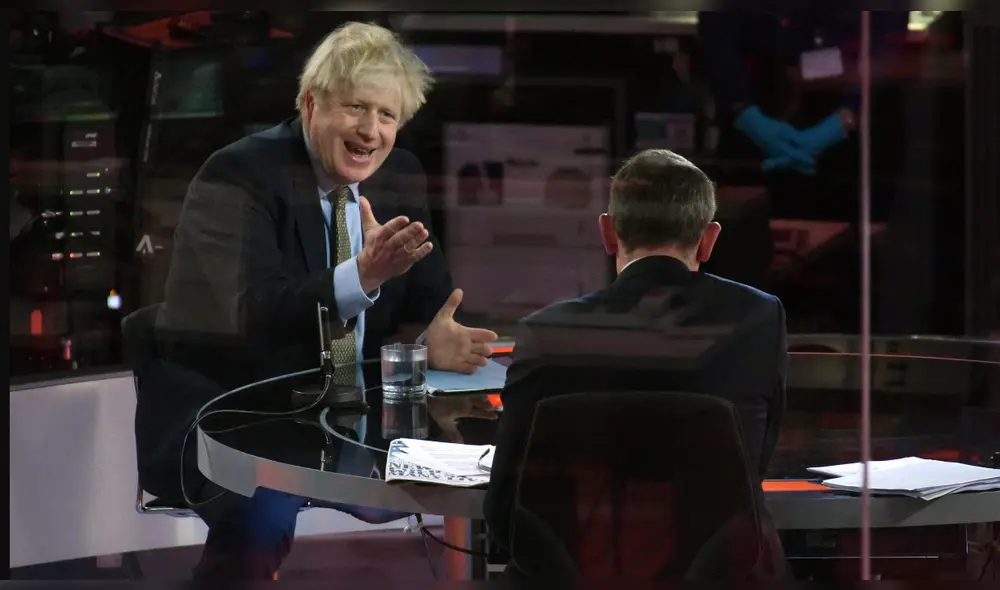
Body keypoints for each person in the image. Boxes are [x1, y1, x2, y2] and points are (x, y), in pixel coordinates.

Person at [141, 22, 498, 581]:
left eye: (387, 116)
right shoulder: (238, 176)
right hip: (242, 413)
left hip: (362, 419)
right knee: (261, 514)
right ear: (311, 104)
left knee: (492, 478)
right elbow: (250, 315)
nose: (371, 131)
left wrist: (433, 337)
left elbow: (429, 299)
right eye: (356, 107)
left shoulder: (399, 175)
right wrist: (360, 274)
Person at [483, 149, 788, 565]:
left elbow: (504, 512)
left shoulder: (546, 331)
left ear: (608, 233)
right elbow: (749, 473)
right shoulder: (758, 318)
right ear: (709, 239)